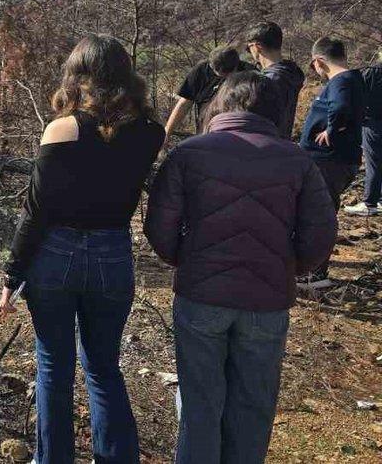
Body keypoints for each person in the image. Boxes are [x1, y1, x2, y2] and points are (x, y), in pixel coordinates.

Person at [146, 71, 336, 464]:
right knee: (253, 405)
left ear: (221, 104)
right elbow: (320, 234)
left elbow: (159, 226)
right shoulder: (296, 160)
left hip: (201, 296)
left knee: (199, 403)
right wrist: (286, 267)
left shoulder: (189, 153)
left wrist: (186, 258)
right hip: (266, 301)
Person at [0, 34, 163, 464]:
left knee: (54, 366)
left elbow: (36, 210)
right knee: (104, 367)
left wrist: (12, 274)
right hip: (113, 253)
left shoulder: (63, 129)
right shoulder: (150, 132)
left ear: (79, 76)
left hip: (56, 254)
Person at [298, 36, 365, 289]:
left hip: (328, 161)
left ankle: (314, 275)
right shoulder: (354, 80)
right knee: (321, 212)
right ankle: (312, 271)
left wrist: (331, 131)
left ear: (319, 62)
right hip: (336, 160)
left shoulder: (341, 82)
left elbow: (339, 107)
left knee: (318, 214)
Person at [163, 44, 253, 143]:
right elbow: (184, 103)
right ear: (211, 65)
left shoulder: (250, 76)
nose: (222, 77)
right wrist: (167, 133)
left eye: (226, 74)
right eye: (217, 72)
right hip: (205, 134)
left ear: (236, 66)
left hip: (238, 136)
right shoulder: (201, 71)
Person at [243, 21, 305, 138]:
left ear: (257, 47)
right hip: (283, 140)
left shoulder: (267, 81)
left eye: (249, 48)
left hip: (264, 143)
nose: (249, 52)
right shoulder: (292, 72)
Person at [345, 53, 382, 216]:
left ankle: (370, 203)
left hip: (373, 123)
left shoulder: (372, 72)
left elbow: (358, 96)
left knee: (373, 163)